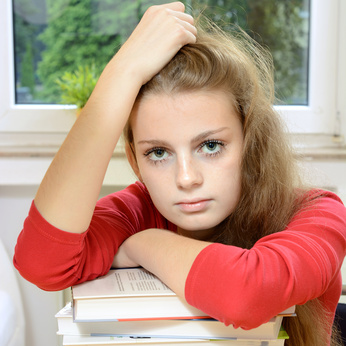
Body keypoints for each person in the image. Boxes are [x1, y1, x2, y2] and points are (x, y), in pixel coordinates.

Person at [13, 2, 346, 345]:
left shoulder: (319, 212)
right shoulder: (138, 211)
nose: (186, 179)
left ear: (252, 142)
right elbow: (41, 263)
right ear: (133, 159)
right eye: (158, 153)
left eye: (211, 146)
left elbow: (249, 293)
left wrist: (145, 245)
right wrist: (121, 72)